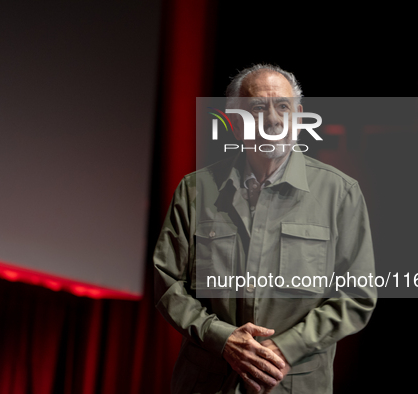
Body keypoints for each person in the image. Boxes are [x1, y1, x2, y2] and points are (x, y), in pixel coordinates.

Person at [154, 64, 376, 393]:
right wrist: (223, 338)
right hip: (207, 383)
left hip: (294, 385)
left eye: (283, 106)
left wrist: (285, 348)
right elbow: (167, 281)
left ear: (298, 117)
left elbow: (356, 295)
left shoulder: (340, 193)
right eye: (258, 107)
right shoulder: (195, 190)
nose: (272, 119)